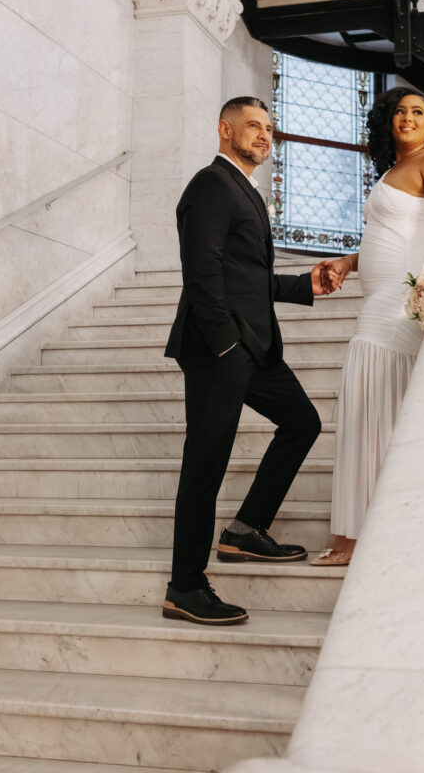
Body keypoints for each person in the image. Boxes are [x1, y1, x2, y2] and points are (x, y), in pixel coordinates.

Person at [162, 96, 341, 624]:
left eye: (269, 128)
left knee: (303, 422)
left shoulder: (243, 189)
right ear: (225, 129)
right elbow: (202, 271)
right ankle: (185, 587)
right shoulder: (210, 185)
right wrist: (225, 345)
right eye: (253, 126)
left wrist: (303, 284)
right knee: (205, 465)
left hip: (253, 348)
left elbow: (244, 276)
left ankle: (244, 530)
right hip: (221, 349)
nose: (265, 135)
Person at [312, 88, 424, 566]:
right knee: (364, 410)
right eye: (400, 111)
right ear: (388, 120)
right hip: (378, 298)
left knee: (375, 410)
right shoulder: (392, 170)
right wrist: (348, 261)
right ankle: (355, 533)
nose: (407, 117)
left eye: (418, 112)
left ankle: (364, 538)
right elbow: (392, 236)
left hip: (402, 305)